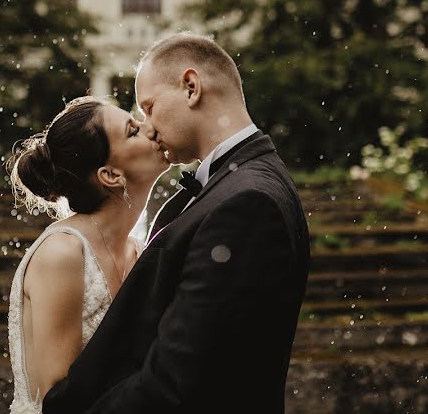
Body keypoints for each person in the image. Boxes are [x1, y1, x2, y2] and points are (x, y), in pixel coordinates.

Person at [43, 33, 311, 413]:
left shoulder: (247, 203)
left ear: (190, 87)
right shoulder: (238, 186)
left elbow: (175, 384)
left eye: (148, 107)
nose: (148, 127)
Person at [6, 96, 170, 414]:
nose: (151, 128)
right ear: (110, 175)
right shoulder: (63, 253)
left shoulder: (138, 250)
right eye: (132, 131)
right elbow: (60, 397)